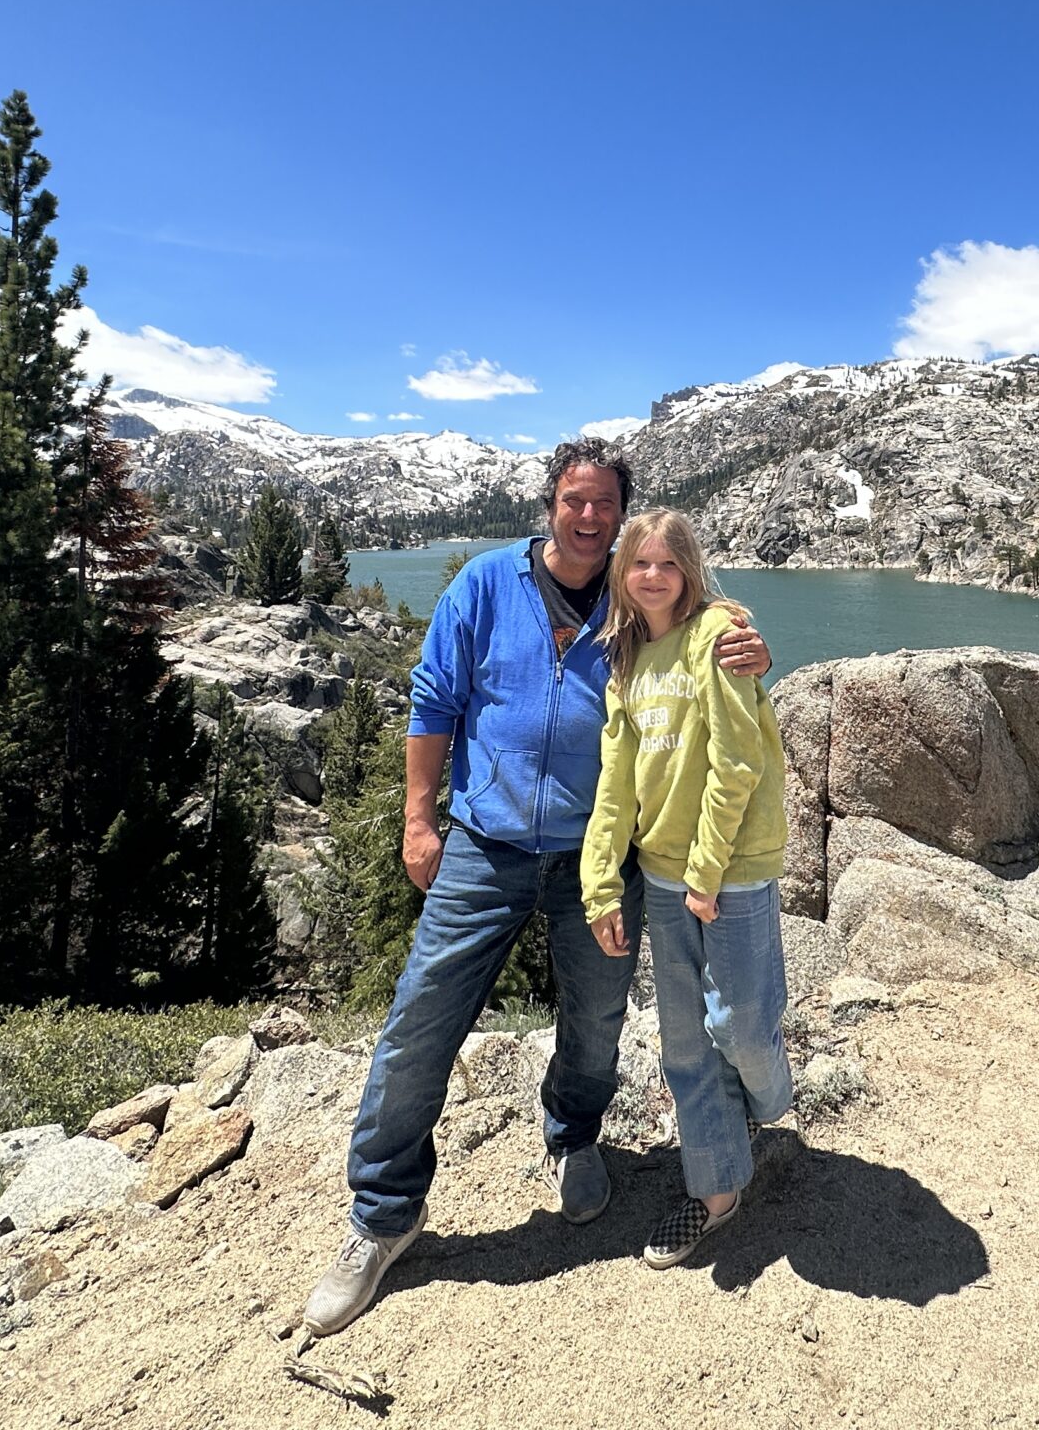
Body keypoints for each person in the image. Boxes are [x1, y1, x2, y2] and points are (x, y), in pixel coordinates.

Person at [303, 441, 770, 1335]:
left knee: (594, 1021)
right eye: (573, 501)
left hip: (600, 863)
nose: (588, 518)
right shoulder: (484, 585)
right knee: (421, 1020)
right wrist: (417, 816)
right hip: (485, 847)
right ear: (549, 504)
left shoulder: (643, 601)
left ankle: (576, 1138)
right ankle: (381, 1217)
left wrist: (750, 647)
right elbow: (434, 699)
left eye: (605, 505)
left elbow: (709, 656)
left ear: (626, 512)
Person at [581, 508, 794, 1269]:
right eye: (639, 563)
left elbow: (737, 763)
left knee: (741, 1025)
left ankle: (770, 1106)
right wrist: (600, 883)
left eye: (667, 563)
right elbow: (616, 783)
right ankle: (716, 1192)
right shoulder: (628, 660)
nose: (652, 576)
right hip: (663, 875)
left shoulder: (718, 637)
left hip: (731, 870)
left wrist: (705, 873)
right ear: (623, 575)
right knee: (683, 1046)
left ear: (690, 571)